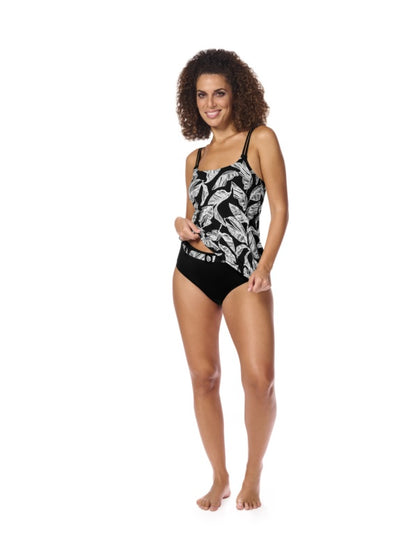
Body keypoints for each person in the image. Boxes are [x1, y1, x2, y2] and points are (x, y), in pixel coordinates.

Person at [172, 49, 288, 511]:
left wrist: (266, 266)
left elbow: (280, 210)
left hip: (244, 273)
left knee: (260, 380)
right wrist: (180, 225)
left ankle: (253, 470)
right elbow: (193, 215)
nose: (210, 104)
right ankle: (219, 475)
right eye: (201, 95)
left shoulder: (259, 139)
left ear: (236, 93)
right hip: (191, 270)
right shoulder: (194, 157)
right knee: (204, 377)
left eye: (218, 93)